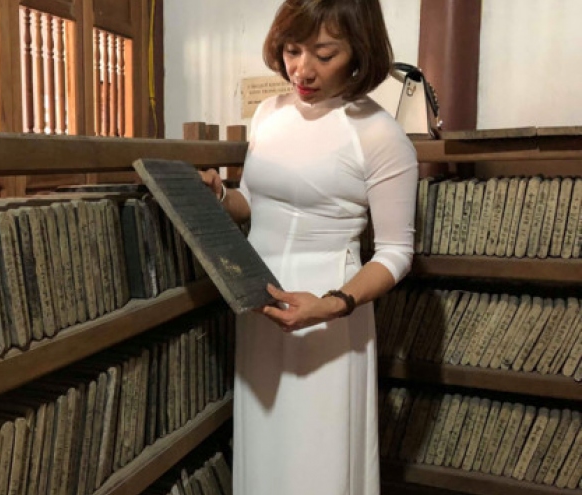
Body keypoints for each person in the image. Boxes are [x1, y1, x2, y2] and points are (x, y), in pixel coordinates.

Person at [200, 1, 418, 493]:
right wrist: (220, 196)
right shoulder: (269, 114)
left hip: (330, 309)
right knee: (266, 447)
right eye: (292, 50)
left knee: (319, 454)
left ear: (359, 51)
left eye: (324, 54)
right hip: (260, 299)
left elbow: (395, 253)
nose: (302, 69)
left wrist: (332, 305)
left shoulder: (380, 134)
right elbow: (254, 204)